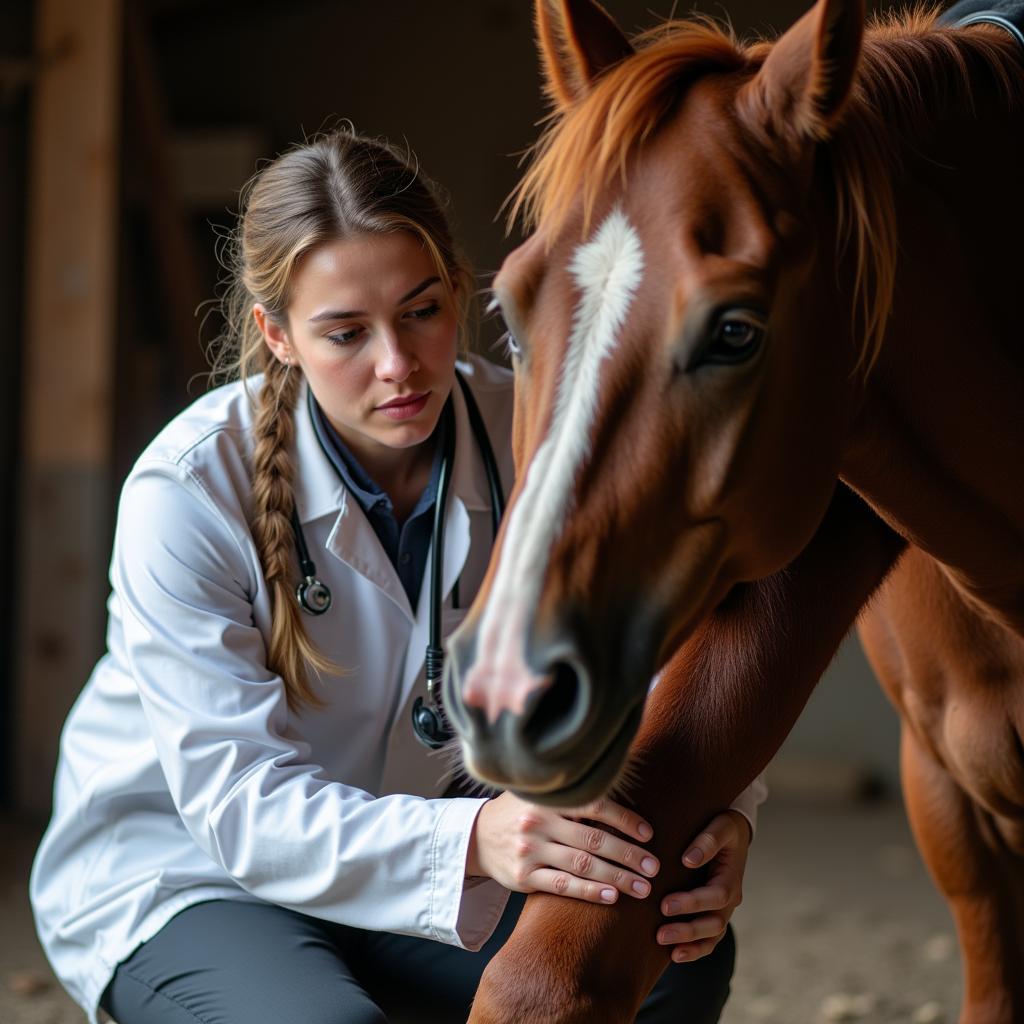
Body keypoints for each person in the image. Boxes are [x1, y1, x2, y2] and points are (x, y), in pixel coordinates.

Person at [30, 128, 767, 1024]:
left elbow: (658, 661)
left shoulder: (535, 431)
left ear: (458, 289)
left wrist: (723, 812)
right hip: (194, 871)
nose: (398, 364)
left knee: (666, 958)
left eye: (421, 311)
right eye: (345, 332)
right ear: (278, 334)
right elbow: (237, 806)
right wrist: (475, 839)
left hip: (437, 855)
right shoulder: (187, 489)